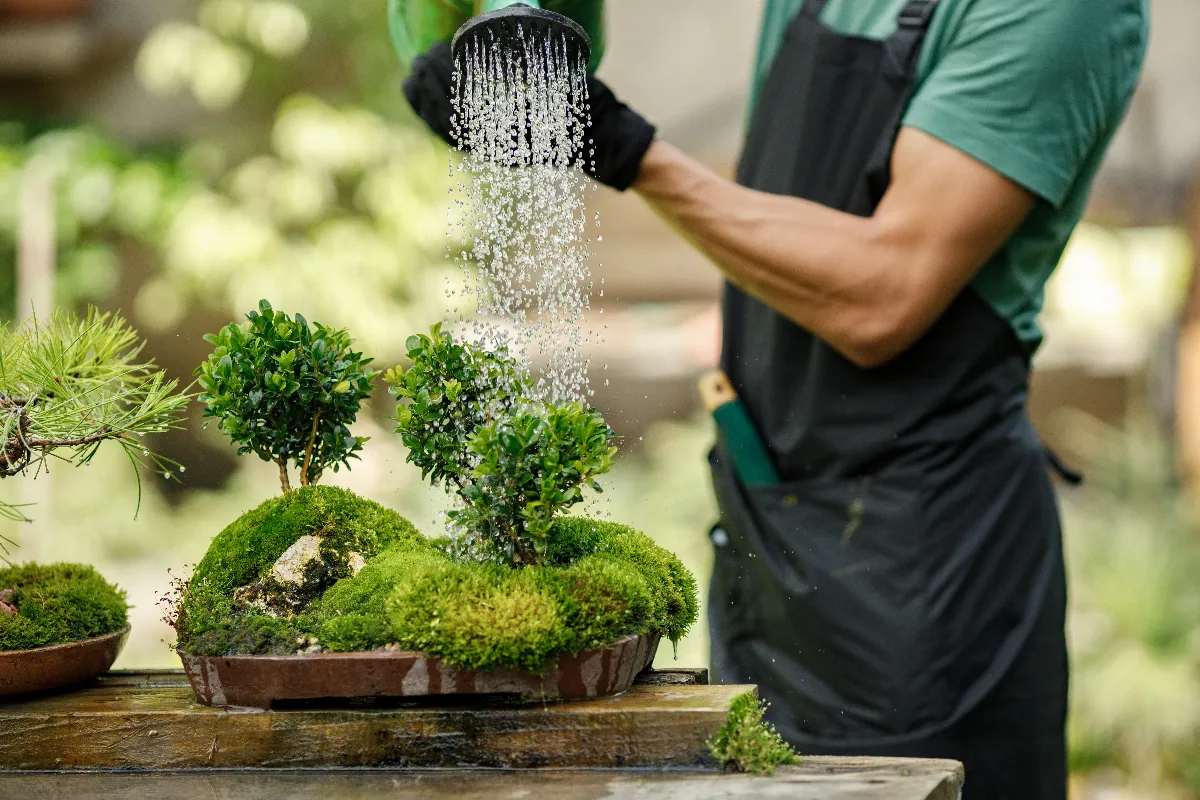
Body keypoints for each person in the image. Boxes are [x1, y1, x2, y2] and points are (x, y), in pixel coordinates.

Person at [402, 1, 1149, 796]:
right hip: (772, 539)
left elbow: (883, 296)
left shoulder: (1060, 11)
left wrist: (626, 150)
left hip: (925, 585)